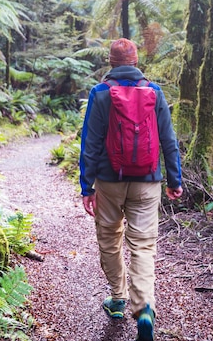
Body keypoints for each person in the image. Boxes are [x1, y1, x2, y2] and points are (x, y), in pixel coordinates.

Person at [79, 38, 183, 341]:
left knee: (110, 239)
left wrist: (87, 186)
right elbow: (168, 139)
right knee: (143, 245)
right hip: (148, 181)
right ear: (136, 62)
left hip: (109, 181)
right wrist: (174, 180)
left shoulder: (100, 94)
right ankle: (144, 307)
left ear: (111, 62)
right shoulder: (155, 92)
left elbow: (91, 142)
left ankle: (118, 299)